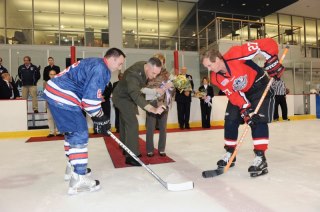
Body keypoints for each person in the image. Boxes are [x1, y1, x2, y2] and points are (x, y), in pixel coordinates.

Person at [43, 48, 126, 195]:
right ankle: (79, 178)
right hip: (63, 95)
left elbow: (88, 92)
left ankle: (72, 167)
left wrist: (97, 111)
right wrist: (101, 117)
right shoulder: (102, 69)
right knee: (80, 133)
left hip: (55, 91)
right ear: (112, 59)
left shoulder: (95, 62)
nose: (120, 67)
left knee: (71, 131)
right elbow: (89, 102)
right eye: (120, 63)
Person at [201, 38, 285, 177]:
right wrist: (245, 109)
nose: (209, 70)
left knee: (257, 120)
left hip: (259, 86)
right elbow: (234, 95)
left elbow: (267, 43)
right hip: (242, 93)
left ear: (217, 59)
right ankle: (230, 153)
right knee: (230, 119)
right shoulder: (216, 78)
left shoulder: (236, 53)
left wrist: (272, 58)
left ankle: (260, 158)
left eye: (209, 65)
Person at [112, 57, 165, 166]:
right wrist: (153, 109)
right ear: (148, 67)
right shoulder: (134, 74)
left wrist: (155, 92)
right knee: (132, 123)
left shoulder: (144, 67)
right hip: (122, 97)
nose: (154, 76)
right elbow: (135, 94)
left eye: (157, 74)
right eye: (154, 73)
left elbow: (139, 90)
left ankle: (126, 148)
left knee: (125, 121)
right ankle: (131, 156)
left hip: (128, 96)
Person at [142, 53, 174, 157]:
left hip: (163, 103)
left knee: (163, 128)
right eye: (157, 60)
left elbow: (175, 84)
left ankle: (161, 149)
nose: (159, 62)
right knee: (150, 128)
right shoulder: (147, 73)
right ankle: (149, 150)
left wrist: (172, 85)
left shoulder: (167, 74)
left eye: (161, 61)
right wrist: (155, 91)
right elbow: (142, 88)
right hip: (151, 102)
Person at [46, 70, 63, 137]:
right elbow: (45, 94)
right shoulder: (46, 83)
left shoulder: (60, 83)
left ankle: (59, 132)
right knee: (50, 118)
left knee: (58, 118)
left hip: (57, 103)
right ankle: (51, 132)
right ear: (49, 75)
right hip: (49, 103)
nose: (52, 75)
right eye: (51, 74)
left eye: (54, 74)